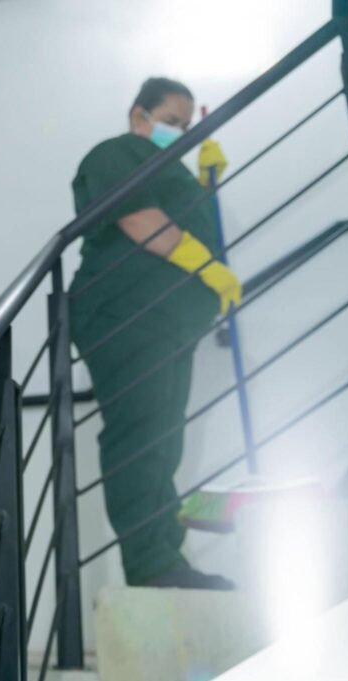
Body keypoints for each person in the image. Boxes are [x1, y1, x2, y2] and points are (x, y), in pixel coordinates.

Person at [68, 77, 241, 590]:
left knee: (164, 442)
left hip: (168, 322)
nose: (178, 132)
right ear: (139, 117)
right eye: (170, 121)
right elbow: (139, 220)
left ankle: (166, 558)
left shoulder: (170, 168)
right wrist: (208, 267)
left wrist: (205, 180)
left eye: (186, 127)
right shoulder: (117, 151)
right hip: (126, 313)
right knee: (141, 436)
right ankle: (151, 565)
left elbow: (185, 219)